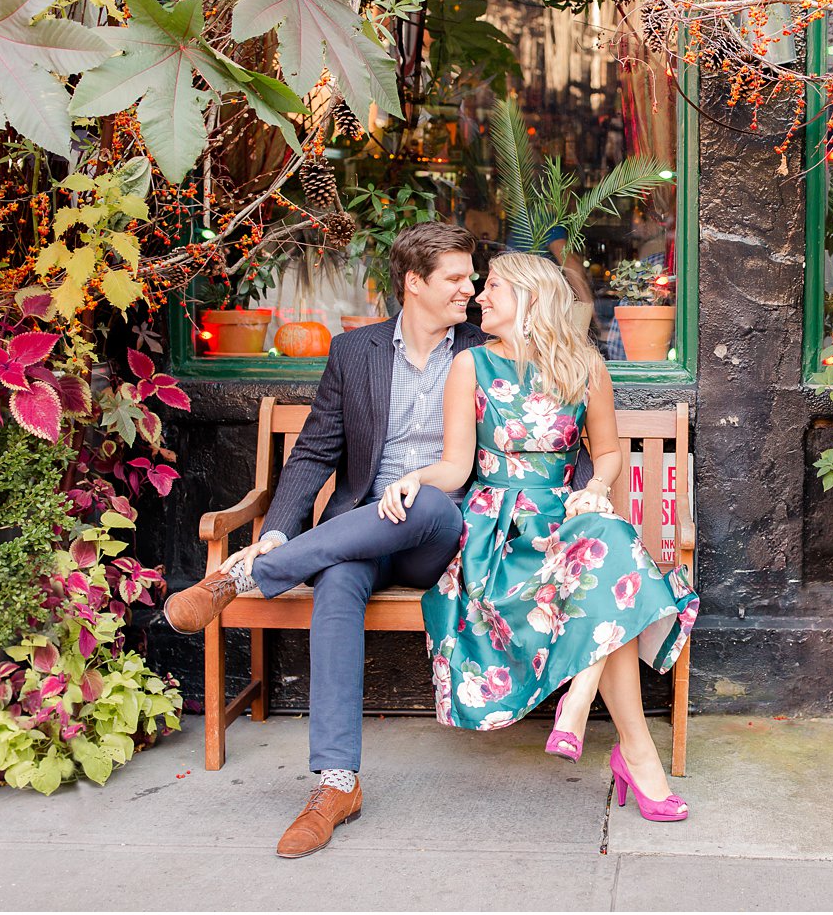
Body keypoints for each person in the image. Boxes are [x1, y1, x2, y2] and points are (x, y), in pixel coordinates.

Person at [162, 223, 590, 858]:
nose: (471, 291)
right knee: (338, 579)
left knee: (426, 506)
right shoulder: (355, 353)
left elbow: (553, 421)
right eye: (456, 278)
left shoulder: (486, 348)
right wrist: (277, 525)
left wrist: (588, 497)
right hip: (358, 526)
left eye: (474, 279)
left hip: (442, 531)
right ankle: (336, 785)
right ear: (414, 284)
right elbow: (313, 454)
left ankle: (247, 576)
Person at [383, 252, 699, 821]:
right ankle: (632, 752)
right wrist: (415, 478)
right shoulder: (471, 366)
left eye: (494, 288)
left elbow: (606, 455)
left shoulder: (585, 367)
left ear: (529, 298)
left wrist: (597, 487)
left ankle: (582, 705)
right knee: (610, 575)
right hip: (498, 534)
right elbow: (456, 467)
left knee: (603, 540)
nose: (480, 297)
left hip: (566, 520)